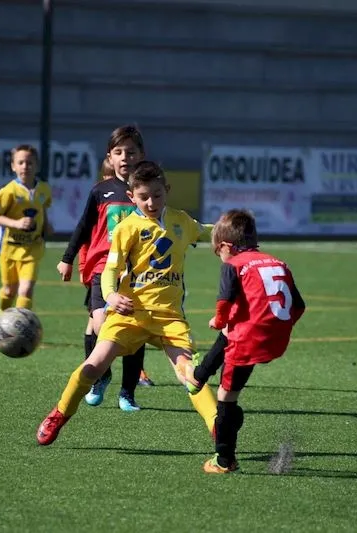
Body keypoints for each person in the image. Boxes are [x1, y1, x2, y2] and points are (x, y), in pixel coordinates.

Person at [36, 160, 219, 445]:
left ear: (167, 190)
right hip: (130, 314)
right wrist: (110, 295)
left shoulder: (181, 221)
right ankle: (59, 413)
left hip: (169, 317)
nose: (151, 202)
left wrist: (232, 231)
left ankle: (219, 428)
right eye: (144, 197)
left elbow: (209, 232)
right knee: (93, 365)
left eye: (157, 195)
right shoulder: (127, 228)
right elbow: (111, 269)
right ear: (132, 196)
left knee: (189, 373)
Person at [189, 209, 306, 474]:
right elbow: (299, 306)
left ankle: (224, 460)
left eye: (218, 252)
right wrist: (278, 328)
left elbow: (224, 301)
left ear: (226, 246)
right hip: (277, 337)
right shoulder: (277, 262)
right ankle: (199, 376)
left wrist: (218, 320)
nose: (219, 257)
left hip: (249, 339)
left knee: (225, 396)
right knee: (233, 328)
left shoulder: (233, 265)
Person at [56, 126, 153, 413]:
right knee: (100, 325)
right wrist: (68, 258)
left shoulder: (146, 192)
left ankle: (128, 393)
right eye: (118, 152)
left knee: (135, 332)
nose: (125, 157)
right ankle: (103, 375)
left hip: (137, 273)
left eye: (131, 152)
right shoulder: (101, 191)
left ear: (141, 155)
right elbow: (84, 226)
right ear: (109, 157)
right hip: (104, 269)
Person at [0, 144, 53, 311]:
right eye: (21, 162)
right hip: (9, 248)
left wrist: (46, 225)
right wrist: (16, 223)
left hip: (32, 248)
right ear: (13, 166)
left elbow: (43, 209)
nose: (25, 166)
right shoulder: (8, 191)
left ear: (37, 166)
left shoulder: (44, 189)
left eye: (30, 163)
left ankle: (20, 325)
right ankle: (4, 317)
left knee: (25, 290)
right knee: (9, 291)